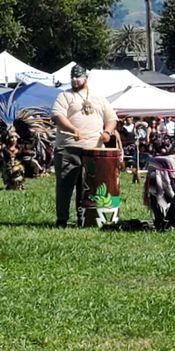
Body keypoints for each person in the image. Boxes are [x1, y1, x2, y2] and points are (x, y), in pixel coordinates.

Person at [51, 64, 118, 228]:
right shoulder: (64, 96)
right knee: (65, 185)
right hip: (69, 147)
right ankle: (62, 220)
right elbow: (57, 116)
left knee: (88, 186)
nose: (74, 80)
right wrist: (72, 128)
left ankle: (85, 218)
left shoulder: (99, 98)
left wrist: (107, 133)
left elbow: (112, 119)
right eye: (72, 77)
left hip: (93, 150)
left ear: (86, 78)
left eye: (78, 77)